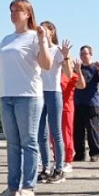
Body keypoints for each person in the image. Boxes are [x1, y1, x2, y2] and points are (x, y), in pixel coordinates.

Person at [0, 0, 53, 196]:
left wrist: (42, 41)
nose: (13, 14)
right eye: (11, 10)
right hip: (7, 95)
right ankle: (12, 187)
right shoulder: (6, 40)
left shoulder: (34, 37)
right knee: (12, 143)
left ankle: (29, 187)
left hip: (28, 96)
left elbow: (46, 64)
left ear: (28, 14)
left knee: (29, 141)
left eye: (18, 11)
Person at [37, 22, 71, 184]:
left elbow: (69, 73)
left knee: (55, 132)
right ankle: (45, 167)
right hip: (38, 92)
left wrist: (66, 56)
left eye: (45, 28)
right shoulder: (38, 49)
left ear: (52, 32)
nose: (42, 30)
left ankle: (59, 168)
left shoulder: (56, 50)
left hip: (53, 92)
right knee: (40, 133)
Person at [73, 46, 99, 163]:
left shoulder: (95, 67)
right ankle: (79, 154)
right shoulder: (77, 68)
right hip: (77, 103)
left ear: (90, 54)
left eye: (85, 54)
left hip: (91, 103)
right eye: (81, 54)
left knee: (92, 130)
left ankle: (95, 153)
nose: (83, 56)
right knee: (78, 131)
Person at [59, 57, 79, 173]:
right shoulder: (57, 75)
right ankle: (58, 160)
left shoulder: (72, 76)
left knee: (67, 135)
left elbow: (81, 84)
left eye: (66, 62)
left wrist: (78, 71)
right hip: (56, 108)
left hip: (67, 108)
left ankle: (68, 160)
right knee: (55, 136)